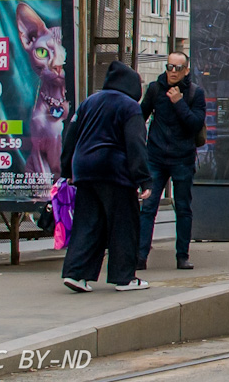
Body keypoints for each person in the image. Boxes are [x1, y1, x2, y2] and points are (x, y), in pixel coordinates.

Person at [59, 61, 152, 293]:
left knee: (88, 222)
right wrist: (143, 178)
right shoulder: (130, 107)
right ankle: (124, 277)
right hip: (114, 171)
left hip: (84, 170)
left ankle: (76, 273)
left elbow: (71, 136)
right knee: (124, 223)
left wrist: (67, 170)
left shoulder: (89, 102)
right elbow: (135, 144)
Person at [138, 52, 206, 271]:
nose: (173, 72)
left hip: (182, 159)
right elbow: (141, 116)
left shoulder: (195, 93)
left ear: (186, 70)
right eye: (170, 67)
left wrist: (178, 103)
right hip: (155, 157)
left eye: (178, 68)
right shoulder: (155, 88)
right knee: (148, 207)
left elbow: (195, 124)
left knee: (183, 208)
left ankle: (182, 256)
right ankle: (140, 256)